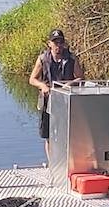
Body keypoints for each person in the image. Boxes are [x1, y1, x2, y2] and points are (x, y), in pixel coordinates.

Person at [29, 28, 84, 156]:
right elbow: (32, 79)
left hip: (66, 101)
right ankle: (52, 164)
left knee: (67, 133)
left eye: (60, 42)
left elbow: (81, 78)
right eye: (55, 42)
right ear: (49, 44)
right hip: (47, 101)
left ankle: (66, 161)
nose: (58, 45)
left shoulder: (71, 58)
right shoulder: (42, 59)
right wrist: (42, 86)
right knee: (48, 135)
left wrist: (70, 84)